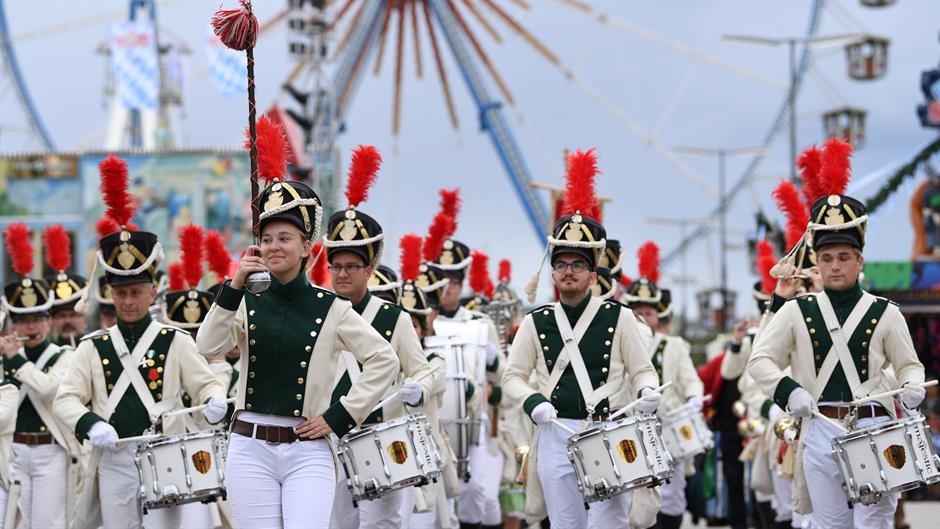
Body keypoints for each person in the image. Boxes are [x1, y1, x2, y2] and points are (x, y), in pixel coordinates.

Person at [195, 134, 400, 528]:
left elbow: (383, 359)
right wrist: (234, 286)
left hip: (308, 448)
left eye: (285, 238)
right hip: (248, 446)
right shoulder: (245, 300)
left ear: (307, 247)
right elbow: (207, 346)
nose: (274, 246)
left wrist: (341, 416)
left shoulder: (331, 307)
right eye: (267, 238)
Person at [54, 155, 229, 529]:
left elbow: (206, 383)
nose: (128, 300)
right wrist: (90, 424)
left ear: (152, 293)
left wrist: (214, 399)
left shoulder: (175, 341)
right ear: (111, 294)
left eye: (136, 292)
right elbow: (65, 398)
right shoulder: (93, 346)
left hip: (166, 453)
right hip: (114, 457)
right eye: (121, 293)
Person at [749, 184, 926, 528]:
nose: (834, 266)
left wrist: (912, 385)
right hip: (821, 427)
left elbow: (909, 365)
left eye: (844, 257)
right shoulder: (796, 311)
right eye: (827, 258)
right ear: (816, 261)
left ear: (859, 261)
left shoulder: (885, 312)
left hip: (875, 426)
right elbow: (760, 360)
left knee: (874, 523)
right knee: (830, 525)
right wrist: (789, 392)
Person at [502, 149, 661, 528]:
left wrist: (647, 390)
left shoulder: (619, 317)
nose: (568, 271)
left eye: (577, 265)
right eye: (561, 264)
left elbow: (642, 369)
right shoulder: (536, 321)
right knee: (565, 523)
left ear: (593, 275)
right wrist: (533, 402)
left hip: (609, 429)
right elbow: (512, 377)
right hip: (555, 432)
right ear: (552, 273)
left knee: (610, 523)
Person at [323, 146, 436, 529]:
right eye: (336, 265)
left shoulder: (393, 318)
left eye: (351, 266)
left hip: (384, 438)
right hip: (330, 438)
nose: (342, 274)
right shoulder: (319, 312)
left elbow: (423, 371)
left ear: (369, 270)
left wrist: (418, 390)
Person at [1, 222, 81, 528]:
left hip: (50, 450)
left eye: (37, 319)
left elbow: (49, 389)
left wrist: (16, 359)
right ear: (13, 324)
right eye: (23, 320)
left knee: (48, 522)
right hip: (12, 450)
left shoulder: (65, 355)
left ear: (48, 322)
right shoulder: (5, 355)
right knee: (14, 522)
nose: (31, 327)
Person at [622, 243, 704, 529]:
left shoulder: (674, 345)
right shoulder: (620, 343)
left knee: (671, 497)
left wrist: (694, 398)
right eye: (638, 312)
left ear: (658, 316)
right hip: (630, 429)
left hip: (667, 427)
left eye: (649, 313)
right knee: (631, 499)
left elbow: (690, 379)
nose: (644, 318)